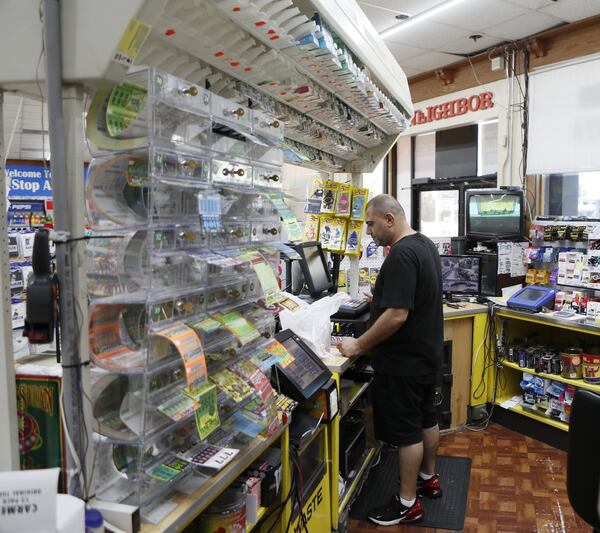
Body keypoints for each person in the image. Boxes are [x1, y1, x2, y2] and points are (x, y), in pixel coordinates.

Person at [337, 194, 444, 526]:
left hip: (404, 363)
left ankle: (407, 503)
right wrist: (380, 298)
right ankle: (429, 478)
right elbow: (410, 297)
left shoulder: (400, 255)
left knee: (408, 432)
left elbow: (397, 315)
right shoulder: (424, 244)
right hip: (427, 357)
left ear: (388, 219)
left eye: (370, 223)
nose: (368, 231)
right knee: (427, 419)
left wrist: (357, 345)